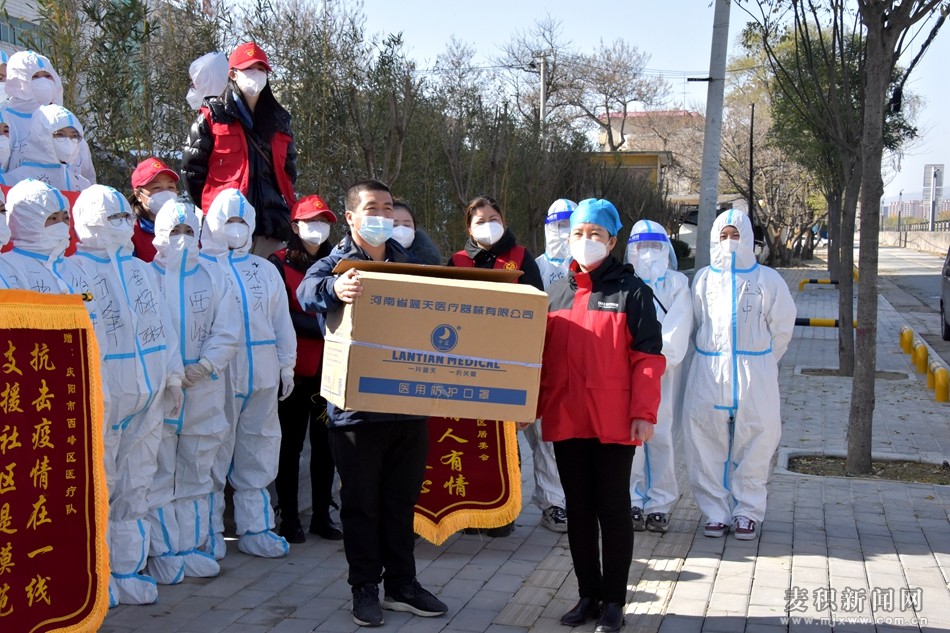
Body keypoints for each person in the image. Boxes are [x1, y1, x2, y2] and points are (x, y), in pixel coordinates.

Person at [297, 179, 447, 627]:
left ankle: (402, 585)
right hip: (356, 411)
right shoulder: (336, 265)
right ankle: (364, 587)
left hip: (408, 404)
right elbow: (306, 291)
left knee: (401, 502)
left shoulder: (411, 265)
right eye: (372, 208)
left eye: (387, 207)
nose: (382, 216)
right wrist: (334, 290)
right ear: (350, 217)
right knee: (362, 505)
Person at [538, 198, 665, 633]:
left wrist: (644, 413)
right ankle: (587, 596)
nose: (585, 240)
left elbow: (648, 358)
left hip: (614, 421)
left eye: (595, 233)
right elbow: (540, 361)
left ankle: (614, 601)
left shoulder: (632, 292)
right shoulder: (557, 293)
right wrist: (529, 409)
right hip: (567, 417)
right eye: (578, 232)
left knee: (612, 510)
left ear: (612, 241)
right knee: (578, 511)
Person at [71, 185, 185, 606]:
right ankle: (96, 577)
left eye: (124, 217)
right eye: (111, 218)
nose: (121, 225)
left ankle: (127, 569)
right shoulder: (71, 272)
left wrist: (173, 376)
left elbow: (165, 328)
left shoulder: (140, 270)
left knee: (137, 482)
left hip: (147, 394)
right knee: (98, 486)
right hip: (103, 397)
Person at [683, 209, 795, 540]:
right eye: (723, 235)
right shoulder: (704, 279)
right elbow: (697, 322)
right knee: (705, 441)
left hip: (754, 373)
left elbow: (782, 327)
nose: (730, 242)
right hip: (709, 373)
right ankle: (715, 512)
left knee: (757, 440)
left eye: (736, 235)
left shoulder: (768, 280)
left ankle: (747, 511)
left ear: (747, 238)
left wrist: (762, 360)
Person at [198, 187, 296, 559]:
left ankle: (256, 528)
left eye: (242, 221)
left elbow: (281, 320)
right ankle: (207, 531)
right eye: (229, 221)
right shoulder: (200, 268)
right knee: (212, 446)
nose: (236, 228)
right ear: (213, 223)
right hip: (219, 373)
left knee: (260, 444)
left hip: (263, 370)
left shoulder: (264, 269)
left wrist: (286, 363)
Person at [145, 199, 239, 583]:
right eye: (174, 231)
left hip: (203, 389)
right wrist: (169, 372)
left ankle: (191, 547)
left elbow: (227, 328)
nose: (182, 238)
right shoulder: (145, 277)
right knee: (158, 473)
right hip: (160, 389)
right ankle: (162, 551)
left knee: (197, 473)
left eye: (188, 231)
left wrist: (206, 365)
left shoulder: (213, 276)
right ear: (159, 234)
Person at [448, 194, 544, 537]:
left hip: (507, 362)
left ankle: (503, 512)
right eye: (479, 221)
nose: (487, 225)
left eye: (493, 218)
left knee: (503, 439)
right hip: (464, 362)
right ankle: (469, 513)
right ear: (469, 229)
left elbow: (537, 309)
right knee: (467, 438)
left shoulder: (520, 257)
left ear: (503, 221)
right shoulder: (457, 261)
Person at [269, 194, 342, 544]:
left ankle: (321, 515)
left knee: (326, 444)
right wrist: (326, 326)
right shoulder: (278, 263)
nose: (318, 227)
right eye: (311, 221)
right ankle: (288, 515)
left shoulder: (337, 264)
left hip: (330, 370)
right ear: (296, 227)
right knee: (291, 445)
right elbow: (280, 315)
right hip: (295, 370)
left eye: (324, 221)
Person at [181, 41, 297, 256]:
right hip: (226, 227)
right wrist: (214, 208)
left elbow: (289, 171)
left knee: (269, 276)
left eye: (261, 69)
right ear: (233, 74)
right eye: (249, 69)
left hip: (271, 227)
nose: (256, 74)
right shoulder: (212, 116)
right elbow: (192, 172)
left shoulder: (280, 121)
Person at [624, 219, 692, 534]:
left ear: (665, 249)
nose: (648, 252)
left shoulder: (677, 284)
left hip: (664, 373)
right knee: (632, 438)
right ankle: (632, 500)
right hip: (630, 371)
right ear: (631, 250)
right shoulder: (624, 282)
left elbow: (679, 327)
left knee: (661, 435)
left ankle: (660, 504)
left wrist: (655, 359)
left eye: (655, 245)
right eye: (642, 246)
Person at [523, 198, 576, 534]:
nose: (564, 232)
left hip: (577, 364)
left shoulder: (587, 269)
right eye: (557, 225)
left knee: (575, 436)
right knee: (544, 437)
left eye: (570, 225)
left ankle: (575, 500)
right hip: (540, 365)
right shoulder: (534, 266)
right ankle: (552, 502)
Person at [3, 104, 91, 191]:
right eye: (60, 134)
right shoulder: (11, 181)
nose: (68, 141)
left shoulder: (83, 185)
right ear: (41, 135)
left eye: (74, 136)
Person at [128, 157, 180, 263]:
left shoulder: (186, 225)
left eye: (170, 187)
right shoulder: (130, 232)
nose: (165, 192)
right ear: (138, 194)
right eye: (156, 187)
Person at [391, 198, 441, 265]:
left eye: (406, 225)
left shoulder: (430, 263)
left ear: (414, 230)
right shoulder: (377, 259)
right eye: (394, 225)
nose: (401, 230)